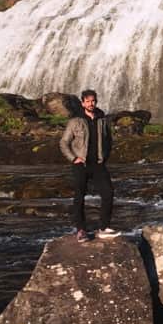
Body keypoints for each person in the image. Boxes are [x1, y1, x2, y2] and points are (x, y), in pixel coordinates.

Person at [60, 89, 121, 243]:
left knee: (108, 193)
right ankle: (81, 230)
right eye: (87, 101)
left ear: (96, 101)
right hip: (81, 164)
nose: (91, 104)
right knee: (79, 196)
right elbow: (64, 142)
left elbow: (109, 141)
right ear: (82, 103)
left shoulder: (102, 120)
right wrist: (73, 158)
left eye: (93, 101)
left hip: (98, 164)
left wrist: (104, 157)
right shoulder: (75, 121)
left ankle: (103, 228)